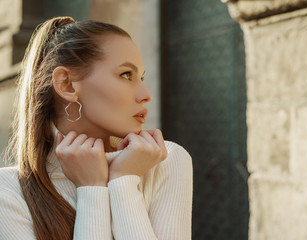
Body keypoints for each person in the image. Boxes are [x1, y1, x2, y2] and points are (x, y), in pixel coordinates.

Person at [0, 16, 193, 240]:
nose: (146, 94)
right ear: (67, 85)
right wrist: (92, 188)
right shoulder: (8, 192)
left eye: (141, 77)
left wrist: (123, 179)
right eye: (126, 75)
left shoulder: (166, 161)